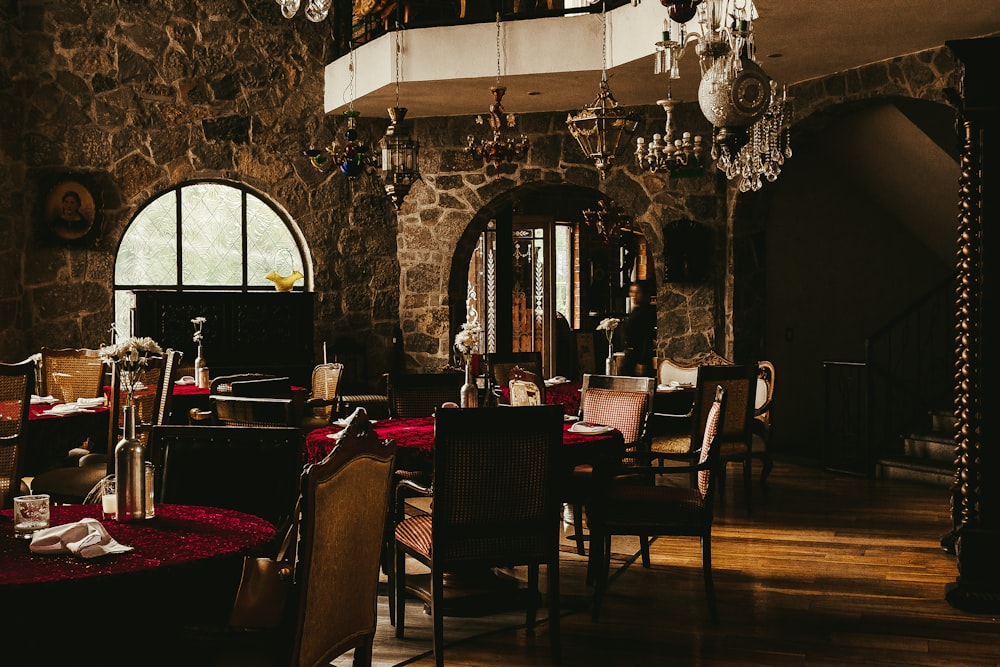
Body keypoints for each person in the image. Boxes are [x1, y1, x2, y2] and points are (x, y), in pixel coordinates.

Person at [621, 280, 656, 377]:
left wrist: (642, 362)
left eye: (637, 292)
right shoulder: (635, 311)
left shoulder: (646, 312)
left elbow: (646, 338)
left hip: (639, 357)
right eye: (632, 292)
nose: (634, 295)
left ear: (644, 294)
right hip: (630, 356)